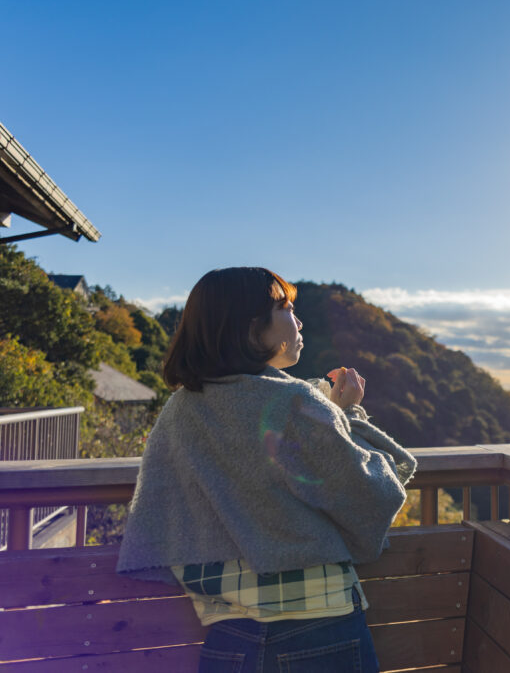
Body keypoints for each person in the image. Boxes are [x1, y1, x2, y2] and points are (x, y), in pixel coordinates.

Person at [117, 267, 416, 673]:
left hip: (226, 632)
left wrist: (333, 414)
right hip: (320, 625)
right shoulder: (294, 401)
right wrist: (347, 419)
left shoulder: (181, 410)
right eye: (286, 308)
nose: (299, 320)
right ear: (250, 327)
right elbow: (369, 497)